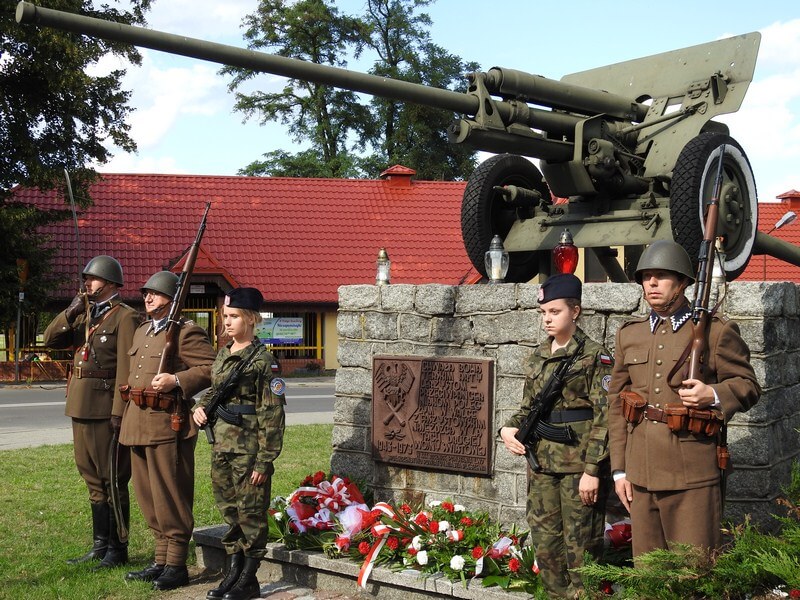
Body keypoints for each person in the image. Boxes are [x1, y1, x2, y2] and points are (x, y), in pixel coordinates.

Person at [607, 240, 760, 558]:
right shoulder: (629, 334)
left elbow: (748, 385)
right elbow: (617, 404)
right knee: (648, 573)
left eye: (661, 275)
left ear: (683, 282)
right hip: (641, 473)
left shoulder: (715, 332)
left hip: (692, 473)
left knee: (694, 570)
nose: (651, 283)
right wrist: (620, 470)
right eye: (646, 276)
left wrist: (714, 394)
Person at [500, 273, 613, 599]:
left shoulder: (595, 356)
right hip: (542, 467)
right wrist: (506, 428)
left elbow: (606, 417)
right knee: (547, 548)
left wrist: (593, 471)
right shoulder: (537, 356)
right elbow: (527, 408)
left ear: (575, 311)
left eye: (555, 312)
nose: (548, 319)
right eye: (544, 313)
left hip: (579, 469)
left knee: (582, 553)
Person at [119, 271, 216, 590]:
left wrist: (178, 380)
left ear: (172, 298)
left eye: (155, 293)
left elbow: (212, 368)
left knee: (169, 494)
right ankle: (161, 558)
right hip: (138, 421)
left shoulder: (187, 331)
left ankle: (176, 564)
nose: (147, 297)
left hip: (167, 424)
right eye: (146, 293)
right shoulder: (143, 330)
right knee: (147, 496)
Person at [43, 255, 140, 568]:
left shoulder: (124, 317)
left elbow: (126, 368)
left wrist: (119, 411)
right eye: (86, 279)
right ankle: (100, 545)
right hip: (81, 405)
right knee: (90, 477)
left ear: (110, 282)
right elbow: (50, 340)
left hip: (104, 408)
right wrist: (69, 313)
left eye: (93, 279)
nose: (87, 283)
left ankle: (117, 548)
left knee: (111, 478)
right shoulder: (84, 314)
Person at [193, 287, 286, 600]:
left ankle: (249, 579)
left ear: (250, 319)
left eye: (233, 316)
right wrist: (200, 406)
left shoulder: (263, 362)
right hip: (221, 446)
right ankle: (233, 572)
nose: (227, 322)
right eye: (225, 316)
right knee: (229, 509)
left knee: (251, 513)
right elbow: (214, 389)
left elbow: (272, 415)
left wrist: (265, 461)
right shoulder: (223, 353)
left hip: (248, 449)